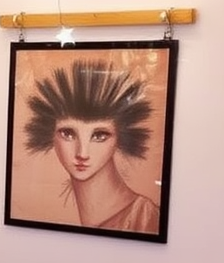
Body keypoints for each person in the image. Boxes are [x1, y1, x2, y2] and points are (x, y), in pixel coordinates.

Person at [23, 59, 160, 233]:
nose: (82, 153)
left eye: (99, 135)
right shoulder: (44, 209)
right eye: (68, 134)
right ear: (49, 135)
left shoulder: (144, 218)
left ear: (120, 138)